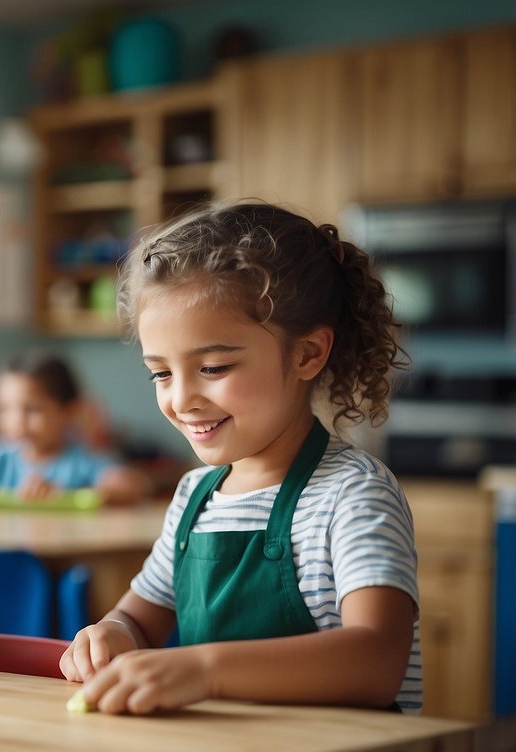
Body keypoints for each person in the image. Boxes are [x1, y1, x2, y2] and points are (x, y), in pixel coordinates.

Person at [62, 201, 422, 718]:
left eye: (213, 367)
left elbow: (376, 662)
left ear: (307, 354)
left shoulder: (353, 494)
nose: (181, 398)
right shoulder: (194, 496)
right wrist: (109, 634)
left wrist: (204, 671)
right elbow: (139, 621)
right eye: (160, 373)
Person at [0, 351, 149, 508]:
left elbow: (134, 486)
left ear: (69, 411)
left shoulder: (81, 459)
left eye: (32, 409)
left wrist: (71, 498)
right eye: (5, 409)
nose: (16, 421)